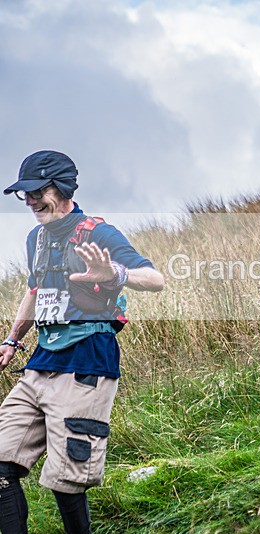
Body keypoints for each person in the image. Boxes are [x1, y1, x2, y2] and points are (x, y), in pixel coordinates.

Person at [0, 150, 164, 533]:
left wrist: (114, 273)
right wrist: (11, 340)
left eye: (38, 191)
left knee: (66, 480)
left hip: (88, 363)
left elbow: (155, 279)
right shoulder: (36, 238)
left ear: (62, 188)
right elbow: (35, 291)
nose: (30, 201)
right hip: (41, 362)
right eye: (25, 194)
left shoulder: (99, 233)